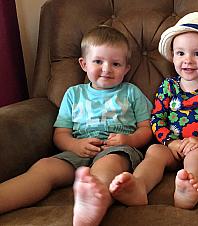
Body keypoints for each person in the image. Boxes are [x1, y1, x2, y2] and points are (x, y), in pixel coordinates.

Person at [0, 25, 153, 226]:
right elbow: (60, 133)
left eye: (116, 64)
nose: (106, 69)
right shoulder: (74, 94)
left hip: (116, 149)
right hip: (77, 150)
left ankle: (94, 204)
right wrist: (74, 145)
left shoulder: (131, 92)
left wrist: (130, 139)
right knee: (43, 168)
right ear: (84, 64)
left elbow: (147, 128)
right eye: (98, 61)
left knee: (108, 167)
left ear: (126, 69)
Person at [109, 12, 198, 210]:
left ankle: (189, 190)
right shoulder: (168, 86)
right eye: (180, 53)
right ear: (172, 56)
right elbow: (157, 119)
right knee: (153, 151)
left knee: (196, 157)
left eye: (197, 53)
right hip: (172, 148)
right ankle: (139, 185)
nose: (188, 60)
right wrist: (170, 142)